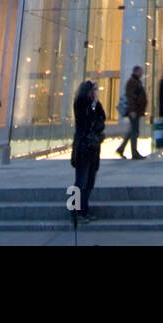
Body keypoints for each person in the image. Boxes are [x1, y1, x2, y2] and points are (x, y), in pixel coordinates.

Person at [69, 80, 105, 221]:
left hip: (93, 147)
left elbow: (102, 117)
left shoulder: (94, 104)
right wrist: (93, 104)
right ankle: (76, 210)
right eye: (92, 91)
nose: (94, 94)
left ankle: (83, 209)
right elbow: (87, 120)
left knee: (90, 180)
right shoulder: (81, 103)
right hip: (84, 146)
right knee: (81, 180)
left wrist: (96, 104)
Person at [114, 65, 147, 159]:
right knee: (134, 131)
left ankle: (121, 149)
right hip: (134, 111)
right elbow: (130, 97)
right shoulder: (132, 82)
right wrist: (132, 110)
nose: (142, 73)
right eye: (141, 71)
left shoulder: (135, 81)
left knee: (132, 131)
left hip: (136, 110)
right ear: (136, 71)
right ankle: (134, 152)